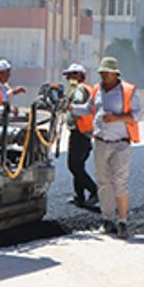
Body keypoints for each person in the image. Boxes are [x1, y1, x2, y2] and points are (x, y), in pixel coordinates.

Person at [90, 56, 141, 240]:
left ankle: (122, 221)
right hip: (100, 142)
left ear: (115, 73)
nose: (102, 75)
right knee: (103, 182)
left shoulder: (127, 91)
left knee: (120, 181)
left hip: (120, 143)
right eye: (101, 72)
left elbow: (137, 115)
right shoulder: (96, 90)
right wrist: (70, 107)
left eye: (106, 72)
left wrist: (116, 118)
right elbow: (89, 109)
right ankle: (107, 219)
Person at [62, 63, 98, 209]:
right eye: (67, 76)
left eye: (71, 75)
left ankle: (95, 191)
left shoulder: (79, 89)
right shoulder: (86, 88)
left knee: (74, 165)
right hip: (86, 132)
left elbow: (76, 104)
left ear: (79, 75)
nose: (68, 78)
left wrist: (67, 104)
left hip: (79, 132)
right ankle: (79, 196)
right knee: (78, 165)